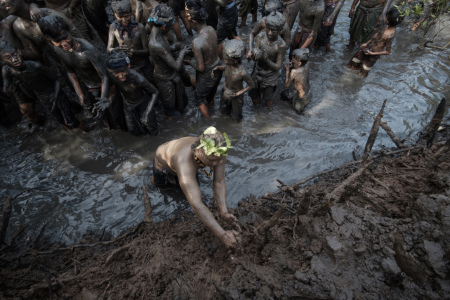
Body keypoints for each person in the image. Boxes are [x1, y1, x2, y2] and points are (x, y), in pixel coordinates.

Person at [151, 126, 240, 248]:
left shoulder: (218, 150)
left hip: (186, 158)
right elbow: (197, 204)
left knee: (188, 188)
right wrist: (222, 235)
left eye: (217, 160)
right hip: (163, 163)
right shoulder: (185, 163)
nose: (215, 165)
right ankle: (154, 180)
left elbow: (219, 182)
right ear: (198, 150)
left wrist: (223, 212)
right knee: (161, 186)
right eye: (211, 160)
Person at [37, 15, 122, 129]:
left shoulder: (87, 49)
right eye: (58, 41)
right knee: (103, 119)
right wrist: (80, 95)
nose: (64, 43)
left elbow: (105, 76)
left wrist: (103, 99)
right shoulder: (58, 49)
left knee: (117, 117)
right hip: (89, 88)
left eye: (66, 37)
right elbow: (70, 72)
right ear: (50, 39)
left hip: (106, 88)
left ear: (69, 31)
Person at [0, 40, 85, 130]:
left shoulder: (34, 65)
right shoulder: (7, 70)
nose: (14, 59)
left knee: (70, 118)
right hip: (38, 94)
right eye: (8, 58)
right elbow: (7, 92)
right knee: (58, 119)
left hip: (50, 89)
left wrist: (56, 96)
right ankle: (67, 129)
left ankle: (83, 118)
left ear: (19, 52)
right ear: (2, 60)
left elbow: (56, 78)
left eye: (14, 55)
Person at [0, 0, 81, 61]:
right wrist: (14, 53)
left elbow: (80, 38)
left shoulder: (49, 14)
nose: (2, 3)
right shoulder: (18, 26)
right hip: (62, 64)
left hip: (80, 58)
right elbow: (35, 53)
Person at [148, 4, 190, 119]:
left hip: (169, 72)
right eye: (170, 26)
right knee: (169, 107)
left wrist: (173, 47)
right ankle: (172, 127)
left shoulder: (157, 32)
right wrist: (183, 52)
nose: (171, 28)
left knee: (180, 101)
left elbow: (164, 53)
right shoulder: (157, 43)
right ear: (163, 27)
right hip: (164, 78)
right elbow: (176, 66)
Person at [184, 0, 222, 119]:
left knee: (198, 99)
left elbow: (201, 67)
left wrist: (190, 62)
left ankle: (209, 122)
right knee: (210, 96)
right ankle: (213, 112)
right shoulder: (211, 29)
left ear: (194, 21)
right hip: (218, 69)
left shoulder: (196, 42)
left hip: (207, 75)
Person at [106, 51, 159, 135]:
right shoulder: (112, 76)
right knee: (133, 129)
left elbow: (155, 92)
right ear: (111, 71)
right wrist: (108, 101)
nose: (121, 76)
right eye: (117, 73)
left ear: (128, 66)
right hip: (128, 105)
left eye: (123, 71)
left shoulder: (138, 79)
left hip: (143, 103)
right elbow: (113, 90)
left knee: (152, 128)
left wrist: (147, 112)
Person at [108, 0, 154, 85]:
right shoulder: (113, 28)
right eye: (120, 17)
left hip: (143, 64)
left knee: (151, 84)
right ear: (114, 14)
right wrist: (117, 49)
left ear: (131, 13)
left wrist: (135, 52)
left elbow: (148, 51)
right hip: (127, 67)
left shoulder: (139, 28)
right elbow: (109, 49)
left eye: (127, 16)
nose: (124, 20)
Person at [347, 7, 403, 77]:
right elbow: (377, 35)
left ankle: (357, 83)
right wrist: (367, 43)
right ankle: (347, 77)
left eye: (386, 17)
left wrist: (373, 53)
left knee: (363, 71)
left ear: (388, 20)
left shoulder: (390, 35)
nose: (385, 18)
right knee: (354, 63)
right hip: (368, 48)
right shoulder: (386, 26)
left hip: (374, 54)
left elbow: (387, 52)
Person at [249, 11, 287, 108]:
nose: (269, 33)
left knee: (268, 98)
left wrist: (266, 60)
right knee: (253, 94)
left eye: (273, 31)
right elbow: (255, 54)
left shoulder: (281, 45)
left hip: (270, 74)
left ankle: (267, 113)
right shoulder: (261, 36)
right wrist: (253, 54)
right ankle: (256, 111)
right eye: (268, 29)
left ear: (279, 31)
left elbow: (278, 67)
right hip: (258, 70)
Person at [212, 39, 255, 122]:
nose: (225, 60)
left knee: (236, 117)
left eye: (227, 59)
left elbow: (252, 85)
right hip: (225, 90)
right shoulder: (229, 64)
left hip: (236, 94)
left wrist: (238, 93)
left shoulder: (242, 72)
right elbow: (225, 68)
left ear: (235, 60)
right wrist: (217, 68)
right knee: (222, 111)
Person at [281, 48, 311, 114]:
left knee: (283, 95)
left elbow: (287, 85)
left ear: (299, 63)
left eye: (293, 60)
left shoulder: (294, 72)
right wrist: (293, 64)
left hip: (301, 100)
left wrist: (287, 71)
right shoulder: (307, 64)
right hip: (308, 94)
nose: (291, 61)